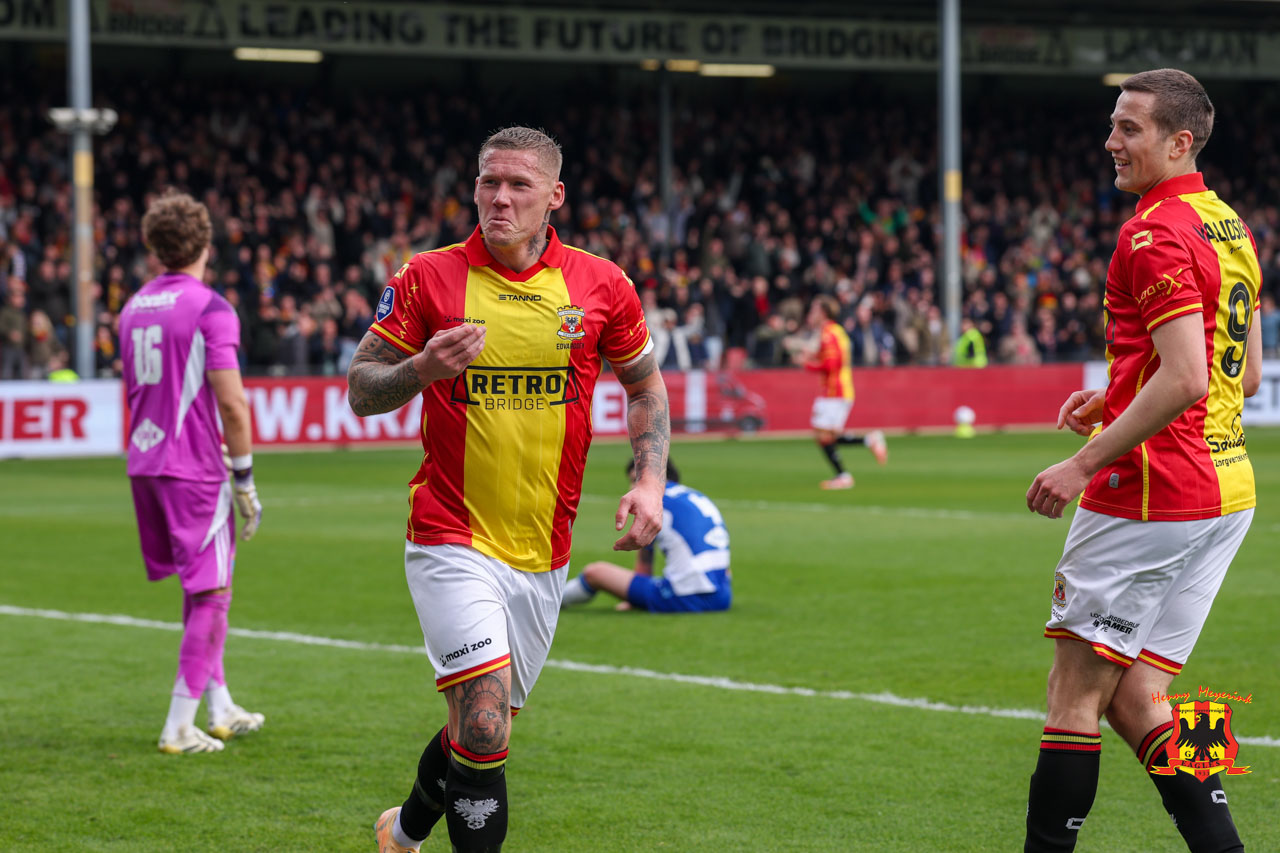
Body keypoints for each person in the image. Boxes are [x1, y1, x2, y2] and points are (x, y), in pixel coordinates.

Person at [346, 126, 670, 853]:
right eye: (489, 181)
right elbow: (361, 389)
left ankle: (401, 831)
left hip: (543, 551)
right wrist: (421, 369)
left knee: (478, 727)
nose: (500, 197)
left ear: (554, 195)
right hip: (450, 535)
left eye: (519, 185)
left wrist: (650, 482)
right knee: (485, 722)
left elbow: (645, 386)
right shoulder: (427, 277)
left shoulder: (601, 284)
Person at [1023, 69, 1261, 853]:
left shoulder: (1152, 231)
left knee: (1073, 696)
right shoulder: (1229, 223)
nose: (1111, 141)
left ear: (1179, 141)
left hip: (1154, 493)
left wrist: (1083, 462)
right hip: (1227, 488)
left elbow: (1189, 375)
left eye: (1130, 128)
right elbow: (1242, 373)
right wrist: (1121, 389)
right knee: (1145, 695)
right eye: (1113, 124)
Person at [119, 190, 265, 755]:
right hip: (194, 469)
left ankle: (219, 703)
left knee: (201, 586)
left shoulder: (132, 308)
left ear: (153, 247)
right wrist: (246, 479)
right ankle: (179, 725)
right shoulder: (210, 307)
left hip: (146, 461)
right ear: (205, 242)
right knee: (214, 595)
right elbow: (232, 403)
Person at [561, 459, 730, 613]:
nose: (631, 488)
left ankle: (555, 602)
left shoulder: (655, 502)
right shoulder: (695, 496)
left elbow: (644, 566)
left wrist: (633, 599)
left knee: (595, 572)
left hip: (686, 597)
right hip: (723, 595)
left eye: (636, 479)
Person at [795, 295, 886, 490]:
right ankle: (868, 442)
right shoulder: (832, 332)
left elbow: (832, 363)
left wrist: (807, 364)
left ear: (823, 312)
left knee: (824, 435)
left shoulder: (829, 333)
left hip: (835, 390)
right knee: (826, 434)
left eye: (814, 310)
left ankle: (845, 474)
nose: (811, 313)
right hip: (834, 390)